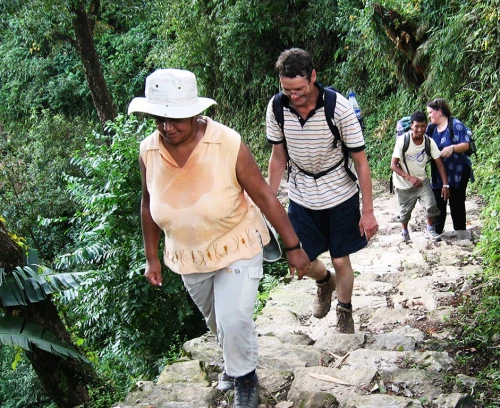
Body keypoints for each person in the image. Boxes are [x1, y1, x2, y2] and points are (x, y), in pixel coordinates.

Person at [128, 69, 310, 408]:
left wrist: (293, 247)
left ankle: (245, 379)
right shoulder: (148, 151)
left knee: (234, 317)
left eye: (176, 119)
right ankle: (234, 360)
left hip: (237, 243)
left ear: (196, 113)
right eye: (159, 118)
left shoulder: (226, 142)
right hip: (188, 255)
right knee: (217, 322)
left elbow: (265, 196)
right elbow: (148, 202)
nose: (168, 127)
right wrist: (151, 256)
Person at [266, 48, 378, 334]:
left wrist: (368, 211)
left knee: (341, 258)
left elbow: (361, 162)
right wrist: (267, 203)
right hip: (302, 194)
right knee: (300, 260)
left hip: (340, 193)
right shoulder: (277, 108)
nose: (295, 96)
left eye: (300, 89)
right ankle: (323, 281)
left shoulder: (338, 108)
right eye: (288, 90)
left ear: (313, 76)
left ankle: (344, 311)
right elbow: (279, 158)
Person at [390, 111, 450, 242]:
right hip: (403, 184)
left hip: (422, 182)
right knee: (404, 214)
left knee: (432, 205)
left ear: (426, 125)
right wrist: (409, 177)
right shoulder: (403, 141)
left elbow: (439, 163)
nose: (420, 129)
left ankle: (429, 229)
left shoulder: (429, 142)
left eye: (423, 126)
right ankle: (404, 231)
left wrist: (446, 185)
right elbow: (393, 165)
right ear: (411, 125)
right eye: (416, 126)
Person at [426, 98, 474, 234]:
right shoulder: (431, 128)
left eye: (430, 112)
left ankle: (460, 230)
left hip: (458, 171)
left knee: (457, 201)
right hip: (439, 172)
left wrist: (452, 148)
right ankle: (436, 230)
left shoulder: (455, 124)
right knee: (438, 200)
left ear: (440, 112)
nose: (429, 116)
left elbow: (467, 144)